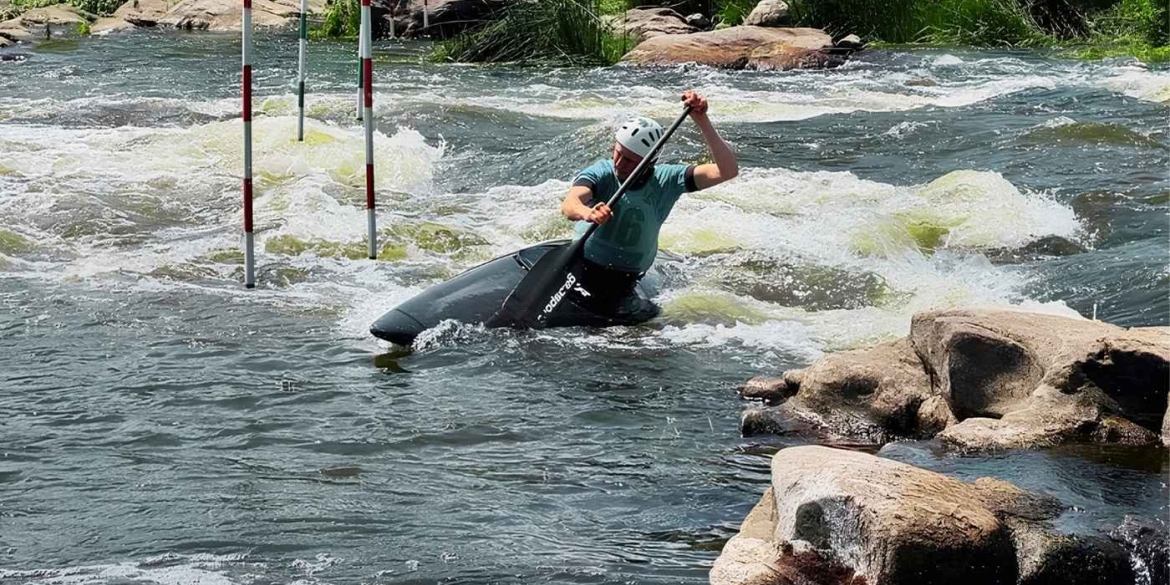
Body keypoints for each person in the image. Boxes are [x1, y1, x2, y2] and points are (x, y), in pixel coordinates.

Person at [559, 90, 738, 320]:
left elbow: (728, 170)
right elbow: (570, 203)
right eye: (618, 153)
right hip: (584, 264)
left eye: (631, 160)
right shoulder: (602, 172)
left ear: (649, 162)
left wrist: (701, 119)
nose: (620, 164)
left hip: (627, 278)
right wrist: (588, 213)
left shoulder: (667, 179)